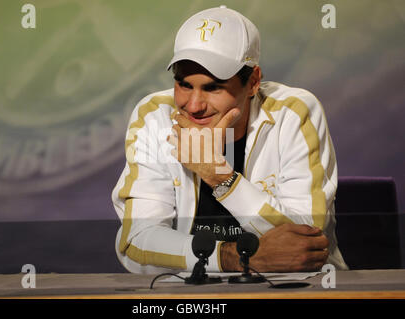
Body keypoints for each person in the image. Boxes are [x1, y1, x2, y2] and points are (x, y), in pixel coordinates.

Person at [112, 6, 348, 274]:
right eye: (184, 84)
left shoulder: (293, 113)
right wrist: (236, 258)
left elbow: (306, 242)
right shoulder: (156, 115)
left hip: (297, 288)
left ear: (254, 82)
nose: (194, 105)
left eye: (213, 87)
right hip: (189, 294)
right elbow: (137, 240)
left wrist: (220, 177)